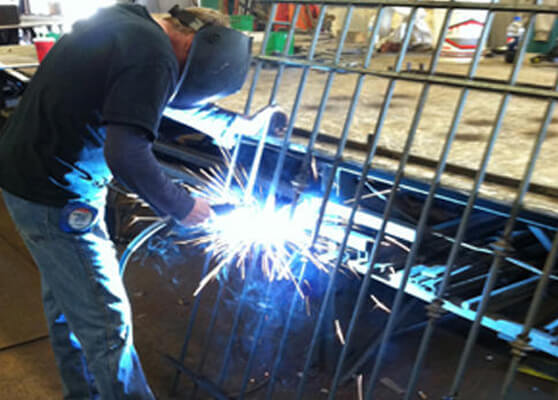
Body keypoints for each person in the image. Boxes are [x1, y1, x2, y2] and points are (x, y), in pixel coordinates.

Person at [0, 3, 262, 399]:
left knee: (71, 307)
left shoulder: (127, 25)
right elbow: (126, 154)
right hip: (57, 195)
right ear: (194, 43)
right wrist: (182, 206)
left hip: (29, 175)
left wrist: (232, 125)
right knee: (106, 323)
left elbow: (151, 97)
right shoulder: (154, 54)